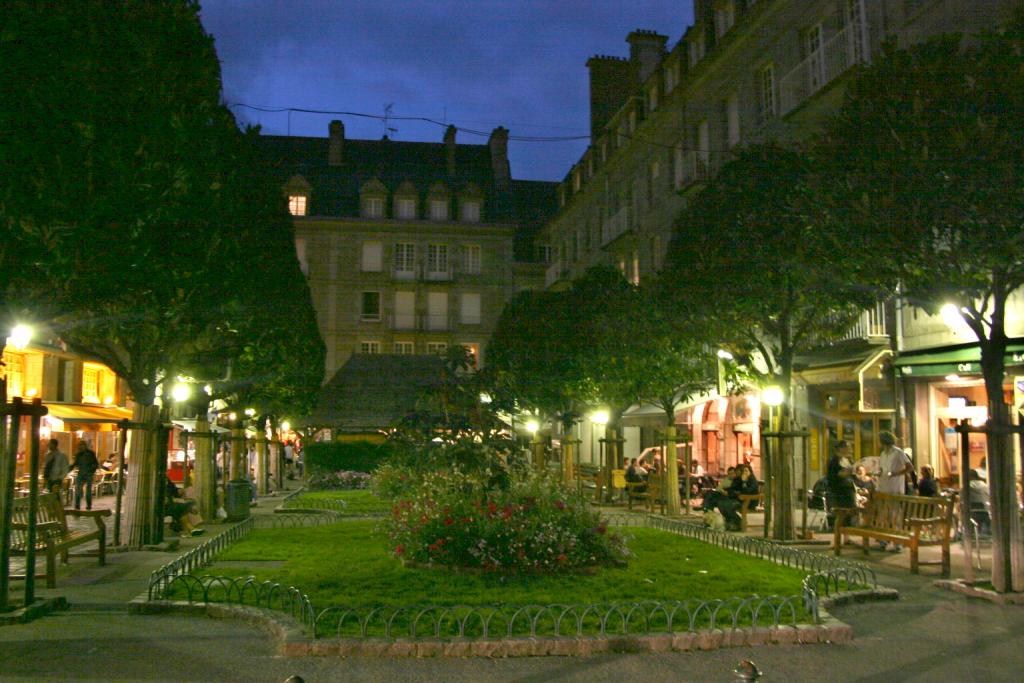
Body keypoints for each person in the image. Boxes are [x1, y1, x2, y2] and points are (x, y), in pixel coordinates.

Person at [877, 431, 914, 551]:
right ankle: (885, 539)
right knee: (885, 514)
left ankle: (898, 542)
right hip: (884, 487)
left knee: (895, 515)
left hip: (895, 487)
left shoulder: (898, 452)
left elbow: (910, 467)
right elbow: (882, 468)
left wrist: (896, 473)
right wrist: (879, 473)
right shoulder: (883, 454)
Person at [826, 441, 857, 530]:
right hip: (840, 491)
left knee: (849, 513)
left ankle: (847, 533)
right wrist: (845, 473)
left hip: (849, 488)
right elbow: (834, 475)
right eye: (848, 447)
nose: (850, 449)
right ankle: (838, 533)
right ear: (841, 448)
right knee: (842, 513)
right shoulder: (834, 461)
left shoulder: (849, 460)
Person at [69, 440, 100, 510]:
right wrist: (69, 468)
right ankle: (77, 505)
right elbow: (75, 463)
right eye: (79, 445)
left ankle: (88, 505)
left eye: (81, 445)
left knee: (88, 490)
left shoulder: (91, 453)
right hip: (81, 473)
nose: (80, 447)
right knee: (78, 489)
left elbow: (95, 463)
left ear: (85, 446)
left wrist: (92, 471)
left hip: (89, 474)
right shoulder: (78, 454)